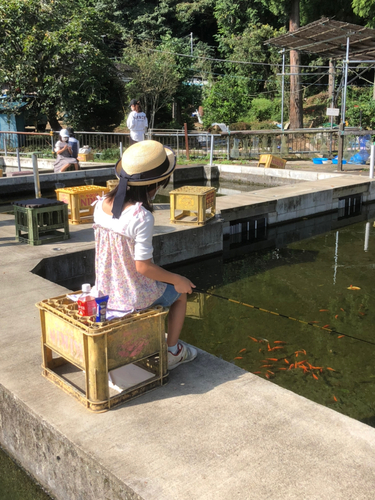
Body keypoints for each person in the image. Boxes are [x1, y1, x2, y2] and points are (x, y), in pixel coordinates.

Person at [93, 140, 197, 370]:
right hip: (131, 295)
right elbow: (143, 267)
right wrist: (178, 280)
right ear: (158, 183)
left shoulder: (100, 204)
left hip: (104, 289)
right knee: (179, 295)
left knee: (171, 285)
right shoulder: (141, 216)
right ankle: (172, 352)